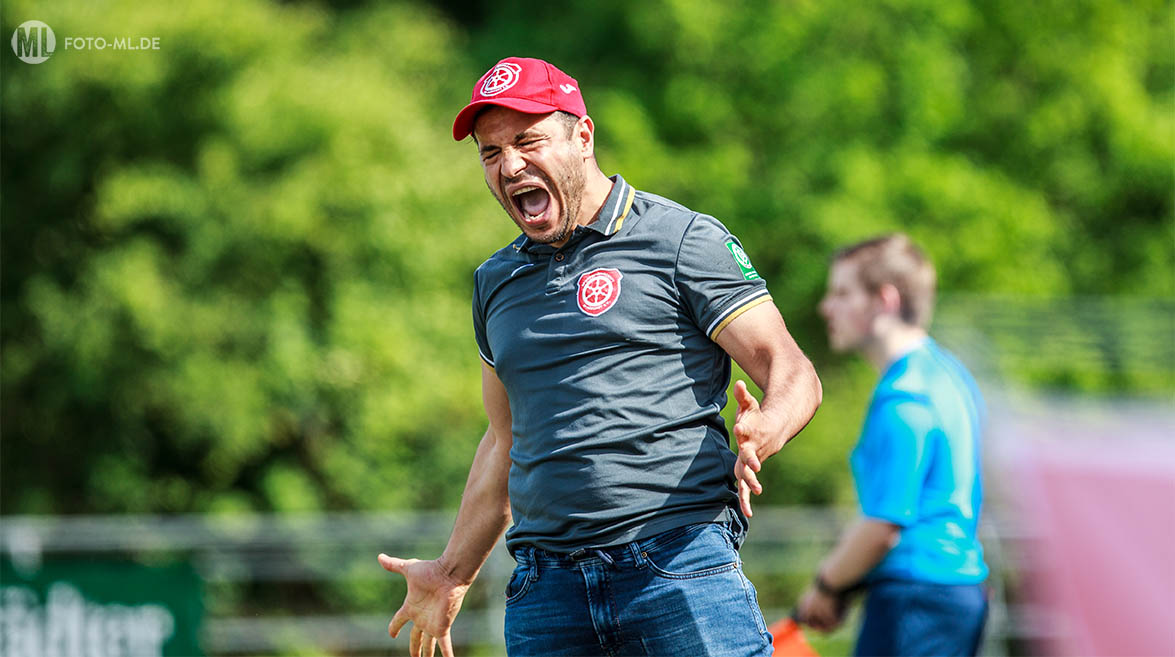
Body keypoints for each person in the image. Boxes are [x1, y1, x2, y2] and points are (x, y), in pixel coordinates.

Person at [377, 56, 822, 657]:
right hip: (545, 591)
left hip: (676, 563)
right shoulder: (494, 281)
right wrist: (453, 570)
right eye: (490, 153)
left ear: (581, 136)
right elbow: (505, 439)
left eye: (528, 141)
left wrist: (768, 427)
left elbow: (792, 371)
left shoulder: (681, 239)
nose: (510, 166)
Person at [795, 234, 989, 657]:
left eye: (842, 293)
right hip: (951, 594)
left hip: (917, 600)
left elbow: (884, 525)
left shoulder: (905, 395)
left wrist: (827, 585)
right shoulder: (948, 374)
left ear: (884, 300)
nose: (826, 307)